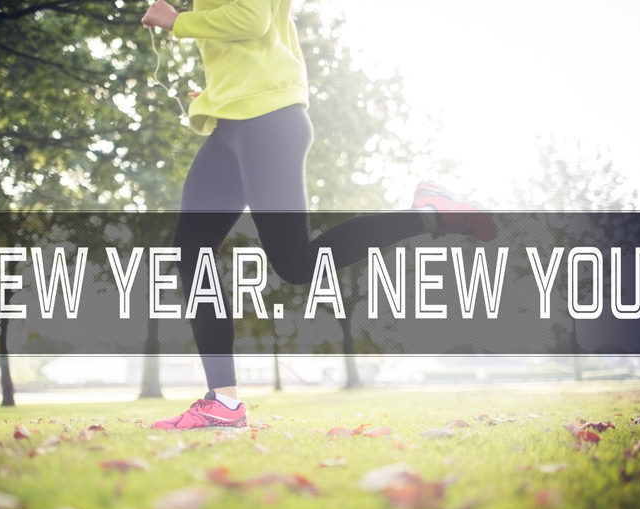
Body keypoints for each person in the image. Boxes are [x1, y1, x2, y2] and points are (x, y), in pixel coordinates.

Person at [141, 0, 495, 430]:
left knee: (296, 263)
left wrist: (178, 22)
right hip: (232, 124)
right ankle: (223, 401)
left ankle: (426, 213)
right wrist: (215, 94)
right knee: (191, 251)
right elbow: (252, 41)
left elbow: (250, 19)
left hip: (264, 122)